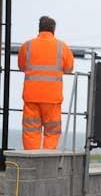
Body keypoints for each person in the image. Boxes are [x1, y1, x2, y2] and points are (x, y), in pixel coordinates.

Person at [17, 16, 74, 150]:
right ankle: (47, 161)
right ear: (53, 29)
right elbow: (69, 68)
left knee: (31, 131)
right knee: (52, 131)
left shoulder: (27, 46)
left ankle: (32, 161)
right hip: (52, 99)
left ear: (39, 28)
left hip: (31, 97)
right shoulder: (62, 47)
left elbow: (21, 66)